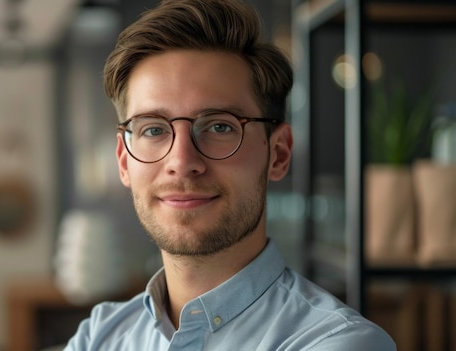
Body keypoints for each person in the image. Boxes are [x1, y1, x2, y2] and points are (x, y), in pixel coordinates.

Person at [64, 0, 396, 350]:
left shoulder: (340, 343)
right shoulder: (99, 336)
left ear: (278, 153)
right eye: (152, 130)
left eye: (220, 126)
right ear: (123, 161)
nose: (182, 160)